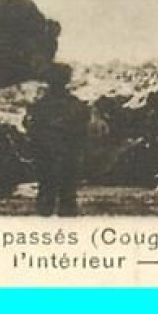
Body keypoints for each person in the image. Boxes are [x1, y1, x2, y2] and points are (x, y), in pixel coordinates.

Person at [23, 62, 91, 216]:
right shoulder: (76, 105)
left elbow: (29, 126)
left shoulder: (39, 106)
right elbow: (83, 129)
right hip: (69, 153)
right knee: (68, 193)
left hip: (46, 154)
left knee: (46, 191)